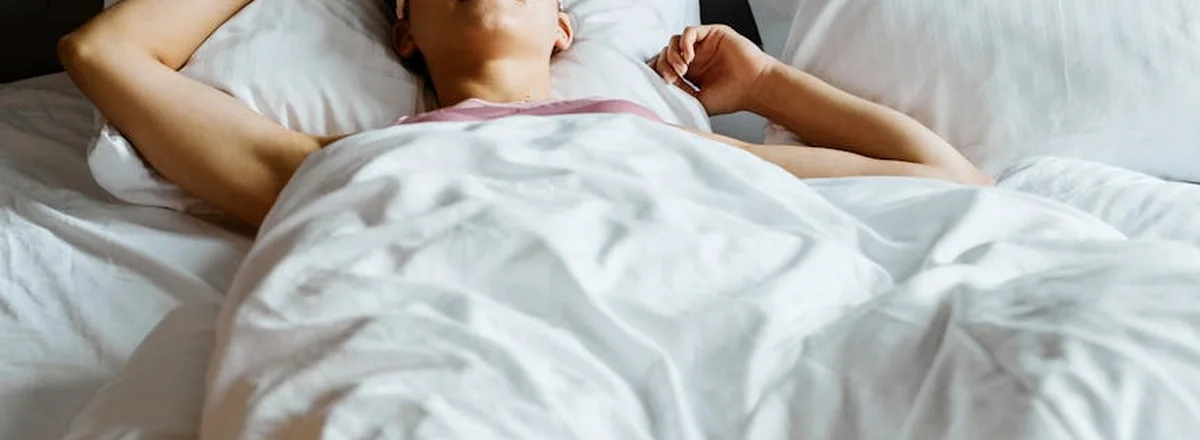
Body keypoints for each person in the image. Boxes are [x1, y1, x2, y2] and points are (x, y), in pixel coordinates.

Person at [59, 0, 991, 228]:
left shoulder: (656, 145)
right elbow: (103, 51)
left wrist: (766, 86)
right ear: (403, 33)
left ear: (562, 27)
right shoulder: (336, 166)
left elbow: (952, 181)